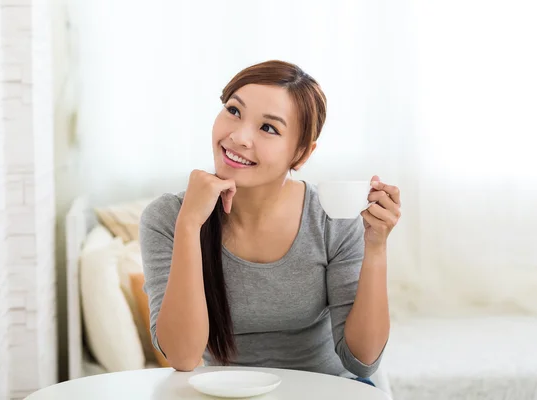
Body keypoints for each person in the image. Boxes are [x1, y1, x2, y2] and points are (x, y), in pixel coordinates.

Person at [139, 60, 401, 387]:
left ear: (302, 153)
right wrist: (190, 225)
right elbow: (183, 357)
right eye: (233, 111)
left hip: (327, 390)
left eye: (268, 128)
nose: (239, 137)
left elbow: (362, 362)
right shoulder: (168, 218)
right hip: (224, 394)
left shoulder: (330, 219)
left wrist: (375, 247)